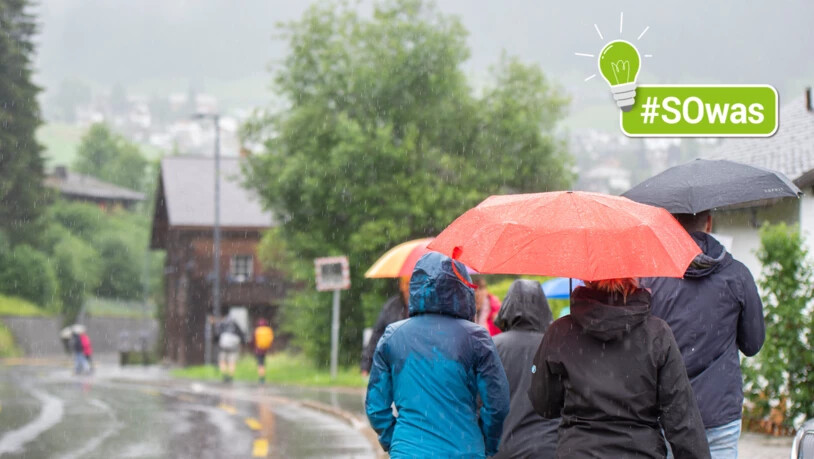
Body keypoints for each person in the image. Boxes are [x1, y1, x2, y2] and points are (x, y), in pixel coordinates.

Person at [529, 278, 710, 459]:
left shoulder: (560, 331)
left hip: (579, 451)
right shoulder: (657, 334)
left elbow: (544, 405)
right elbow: (681, 418)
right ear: (634, 277)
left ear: (587, 277)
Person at [640, 211, 765, 459]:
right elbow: (752, 344)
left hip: (666, 414)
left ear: (672, 224)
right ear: (709, 222)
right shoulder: (737, 275)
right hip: (718, 413)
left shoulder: (650, 277)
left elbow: (639, 347)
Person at [366, 252, 510, 457]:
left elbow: (376, 406)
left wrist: (397, 441)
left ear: (416, 287)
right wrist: (487, 443)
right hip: (464, 450)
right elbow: (497, 404)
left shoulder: (393, 336)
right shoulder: (476, 338)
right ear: (462, 287)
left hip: (409, 451)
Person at [492, 279, 558, 459]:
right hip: (548, 448)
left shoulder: (492, 347)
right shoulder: (556, 346)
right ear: (543, 308)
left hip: (502, 448)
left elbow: (480, 402)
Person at [359, 276, 410, 376]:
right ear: (401, 285)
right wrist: (366, 363)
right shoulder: (391, 306)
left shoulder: (426, 306)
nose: (410, 287)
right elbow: (377, 335)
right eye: (407, 283)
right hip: (393, 363)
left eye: (413, 282)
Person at [215, 314, 245, 383]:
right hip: (233, 346)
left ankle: (224, 374)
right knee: (232, 362)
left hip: (223, 346)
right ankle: (231, 376)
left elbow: (217, 334)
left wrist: (217, 341)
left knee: (222, 361)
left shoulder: (222, 324)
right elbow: (242, 335)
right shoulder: (235, 325)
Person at [251, 318, 274, 383]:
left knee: (260, 364)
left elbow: (253, 341)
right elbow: (271, 340)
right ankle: (263, 377)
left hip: (258, 349)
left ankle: (261, 378)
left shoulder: (257, 330)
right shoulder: (268, 330)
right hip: (265, 349)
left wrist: (253, 348)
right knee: (263, 363)